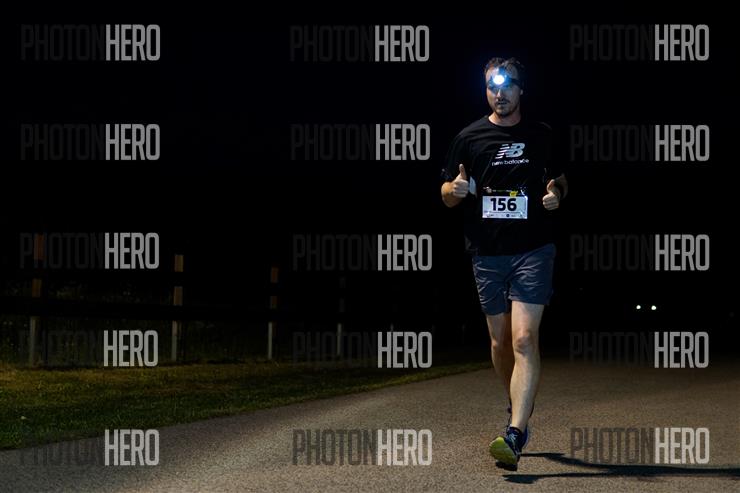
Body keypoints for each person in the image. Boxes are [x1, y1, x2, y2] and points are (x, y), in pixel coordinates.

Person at [440, 57, 567, 469]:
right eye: (492, 86)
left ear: (521, 89)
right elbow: (446, 192)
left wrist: (556, 193)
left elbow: (560, 179)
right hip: (487, 253)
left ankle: (514, 432)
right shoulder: (468, 137)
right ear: (486, 91)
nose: (500, 93)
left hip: (533, 249)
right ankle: (517, 403)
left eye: (508, 85)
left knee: (524, 339)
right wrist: (455, 189)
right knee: (499, 344)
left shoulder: (541, 135)